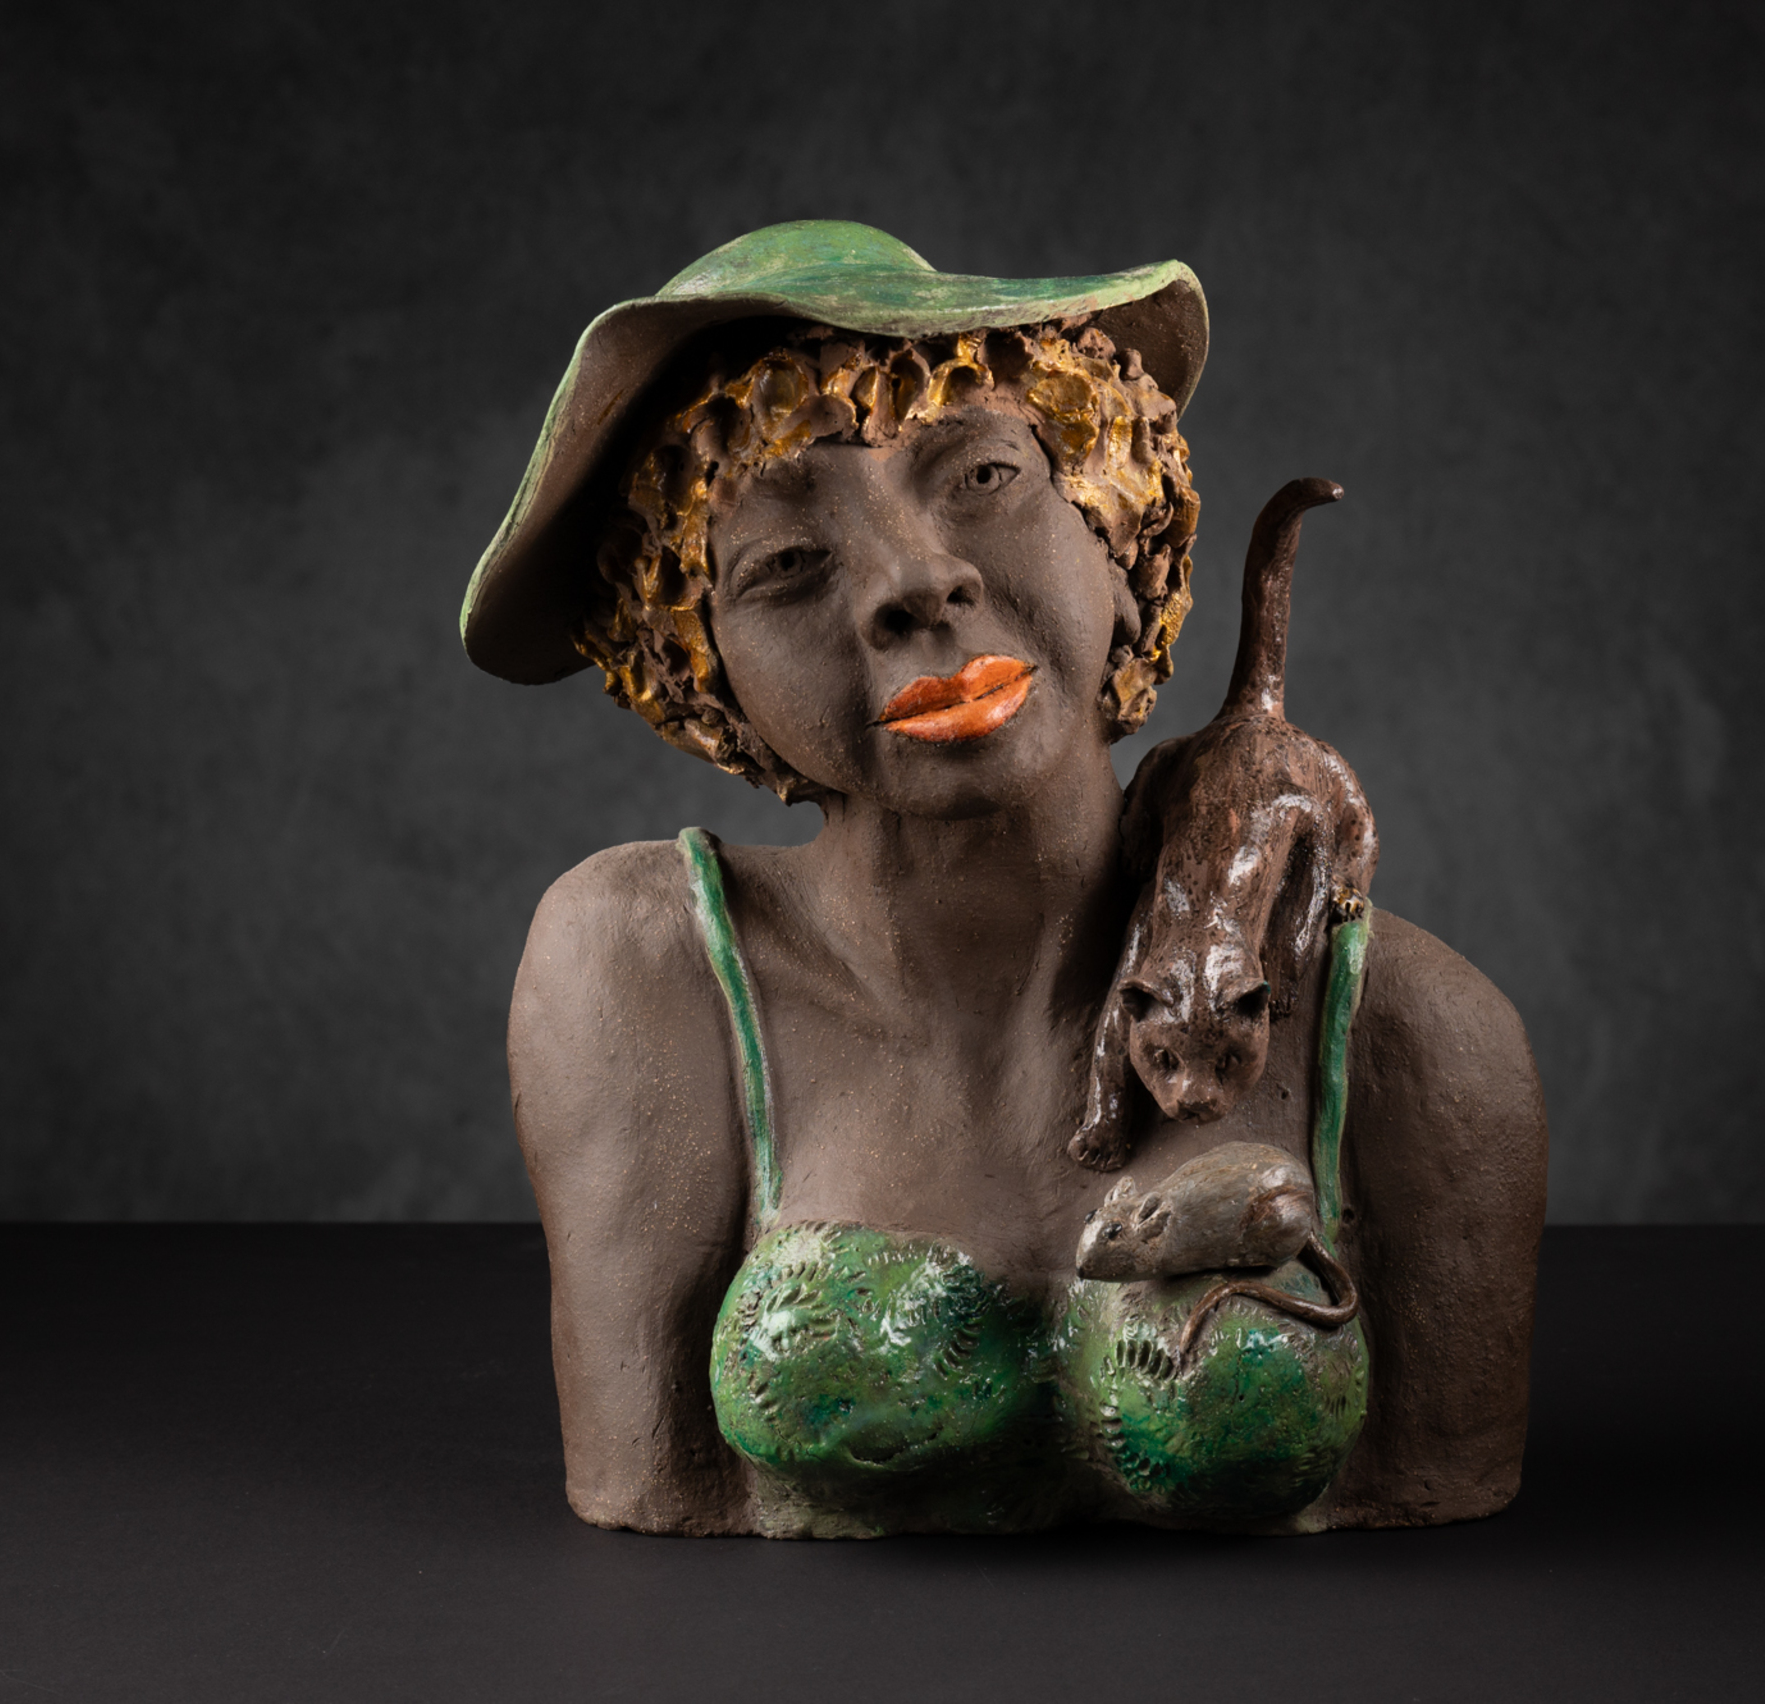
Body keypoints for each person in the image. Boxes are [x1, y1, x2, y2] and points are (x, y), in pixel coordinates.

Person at [462, 221, 1547, 1536]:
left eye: (983, 475)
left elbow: (1444, 1477)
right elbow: (650, 1478)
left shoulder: (1414, 1035)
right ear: (704, 684)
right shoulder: (643, 975)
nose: (917, 580)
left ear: (1123, 524)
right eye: (787, 563)